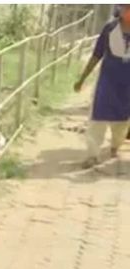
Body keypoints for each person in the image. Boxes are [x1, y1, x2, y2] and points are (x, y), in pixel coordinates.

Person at [74, 5, 130, 166]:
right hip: (108, 81)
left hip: (128, 85)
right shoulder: (110, 29)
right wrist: (82, 78)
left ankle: (115, 146)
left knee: (123, 119)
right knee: (98, 116)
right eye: (126, 7)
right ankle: (92, 154)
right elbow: (97, 54)